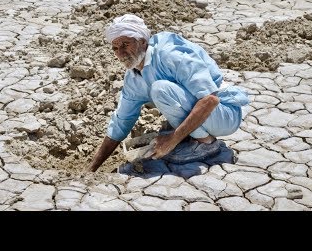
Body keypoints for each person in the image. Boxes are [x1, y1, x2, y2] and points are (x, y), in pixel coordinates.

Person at [86, 14, 249, 172]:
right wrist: (92, 169)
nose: (120, 53)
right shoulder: (133, 78)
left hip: (224, 114)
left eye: (125, 44)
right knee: (162, 107)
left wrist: (172, 140)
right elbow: (122, 121)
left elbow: (210, 99)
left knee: (160, 90)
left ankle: (206, 143)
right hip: (208, 115)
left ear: (142, 41)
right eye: (115, 48)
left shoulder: (169, 54)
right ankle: (189, 137)